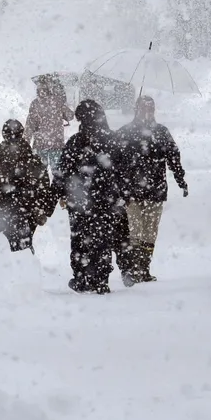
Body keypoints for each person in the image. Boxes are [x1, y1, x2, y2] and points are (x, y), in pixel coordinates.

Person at [55, 99, 128, 294]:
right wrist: (123, 195)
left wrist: (59, 193)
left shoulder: (76, 142)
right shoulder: (113, 140)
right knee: (102, 239)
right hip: (107, 201)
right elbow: (123, 172)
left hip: (80, 201)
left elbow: (62, 171)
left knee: (80, 239)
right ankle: (101, 279)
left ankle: (82, 278)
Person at [115, 95, 188, 287]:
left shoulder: (161, 132)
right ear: (136, 109)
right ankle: (134, 268)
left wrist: (181, 180)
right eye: (143, 108)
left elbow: (173, 157)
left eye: (150, 108)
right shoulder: (125, 133)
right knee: (134, 231)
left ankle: (143, 268)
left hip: (154, 191)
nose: (147, 112)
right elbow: (113, 161)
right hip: (131, 193)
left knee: (149, 233)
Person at [0, 119, 57, 253]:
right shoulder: (32, 157)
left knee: (2, 248)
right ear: (21, 133)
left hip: (1, 209)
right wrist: (43, 209)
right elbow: (43, 185)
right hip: (27, 209)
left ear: (4, 134)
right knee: (24, 248)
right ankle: (26, 267)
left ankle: (5, 270)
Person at [25, 77, 77, 174]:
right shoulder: (57, 102)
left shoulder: (35, 104)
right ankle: (56, 188)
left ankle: (41, 188)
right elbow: (70, 116)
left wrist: (25, 142)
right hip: (56, 143)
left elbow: (29, 125)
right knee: (58, 173)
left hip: (40, 144)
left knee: (39, 173)